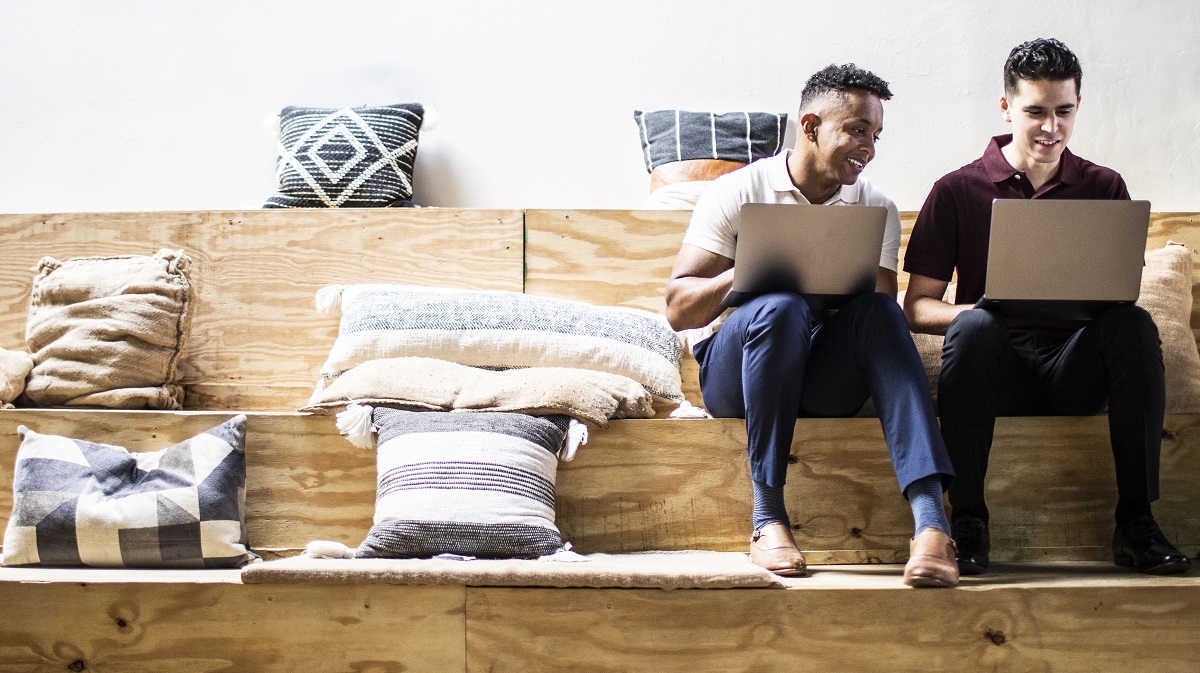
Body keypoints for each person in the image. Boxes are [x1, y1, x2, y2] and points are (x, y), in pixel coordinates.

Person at [903, 38, 1190, 576]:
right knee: (979, 325)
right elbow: (917, 308)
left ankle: (1135, 521)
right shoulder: (957, 190)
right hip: (992, 368)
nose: (1050, 128)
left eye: (1064, 112)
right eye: (1035, 111)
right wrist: (975, 313)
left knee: (1132, 322)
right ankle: (967, 518)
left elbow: (1117, 297)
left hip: (1074, 367)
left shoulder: (1105, 186)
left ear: (1078, 107)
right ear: (1006, 107)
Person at [665, 64, 958, 588]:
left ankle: (933, 524)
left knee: (879, 311)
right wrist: (751, 270)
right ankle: (767, 519)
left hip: (820, 374)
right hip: (735, 377)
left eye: (875, 135)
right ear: (810, 126)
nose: (868, 147)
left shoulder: (876, 207)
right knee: (780, 307)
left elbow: (879, 315)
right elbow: (679, 308)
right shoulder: (738, 193)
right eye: (856, 129)